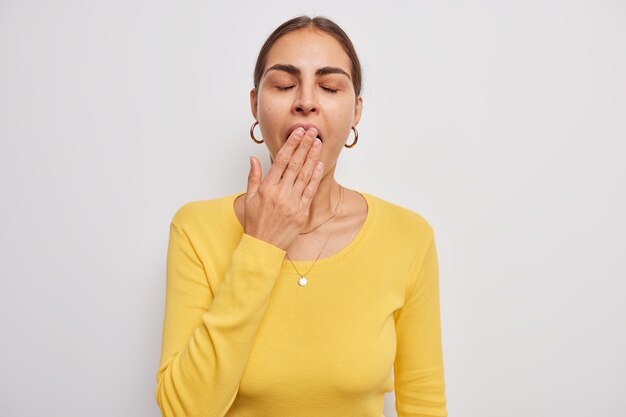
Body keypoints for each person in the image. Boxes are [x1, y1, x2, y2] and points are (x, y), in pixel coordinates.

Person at [155, 15, 448, 417]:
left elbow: (424, 403)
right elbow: (182, 410)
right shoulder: (195, 229)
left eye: (328, 86)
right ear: (255, 105)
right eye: (284, 85)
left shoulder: (408, 236)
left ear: (355, 112)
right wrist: (261, 245)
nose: (305, 100)